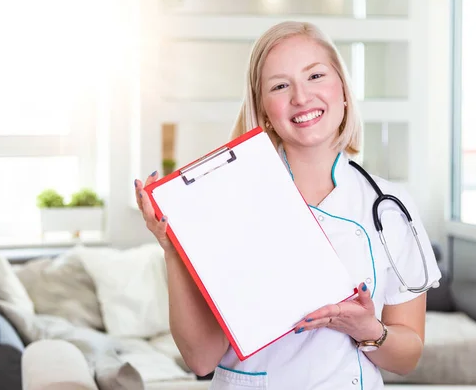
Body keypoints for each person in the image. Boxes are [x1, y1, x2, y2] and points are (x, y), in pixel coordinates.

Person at [134, 21, 442, 390]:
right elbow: (200, 357)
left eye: (315, 75)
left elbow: (408, 357)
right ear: (264, 109)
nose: (301, 97)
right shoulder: (223, 202)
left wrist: (368, 330)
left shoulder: (389, 207)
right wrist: (171, 246)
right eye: (280, 85)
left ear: (342, 89)